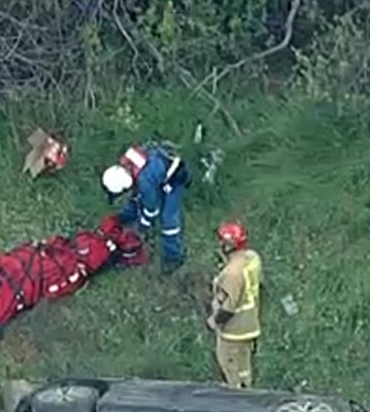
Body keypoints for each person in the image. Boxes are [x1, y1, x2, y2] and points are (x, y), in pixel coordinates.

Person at [101, 142, 191, 273]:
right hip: (160, 168)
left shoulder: (145, 184)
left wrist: (142, 226)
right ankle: (125, 217)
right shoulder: (127, 164)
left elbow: (152, 210)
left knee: (168, 218)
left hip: (176, 178)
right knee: (136, 197)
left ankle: (174, 256)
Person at [206, 222, 262, 388]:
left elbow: (229, 307)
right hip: (250, 324)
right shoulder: (252, 259)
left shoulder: (231, 274)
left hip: (234, 331)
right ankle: (247, 388)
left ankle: (236, 399)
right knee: (244, 366)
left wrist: (215, 322)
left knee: (230, 368)